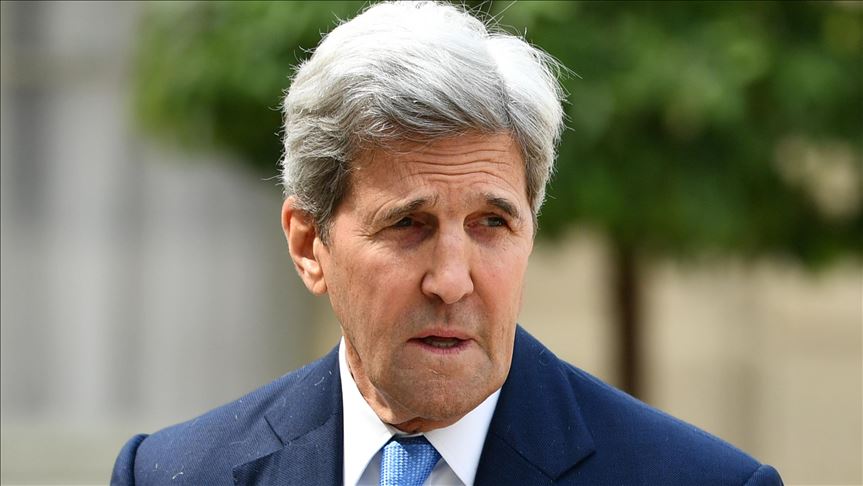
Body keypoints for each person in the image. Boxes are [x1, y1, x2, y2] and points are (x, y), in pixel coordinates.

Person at [112, 2, 783, 485]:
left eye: (491, 224)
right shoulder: (172, 473)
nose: (452, 280)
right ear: (309, 244)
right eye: (409, 225)